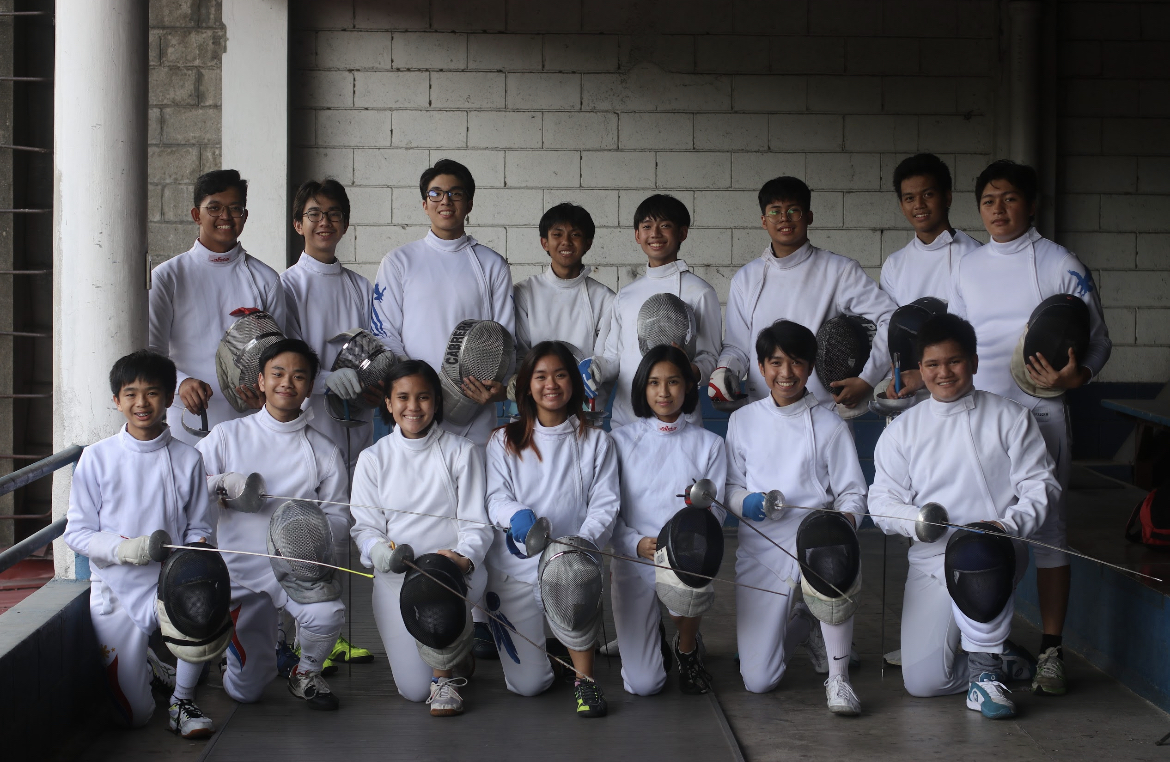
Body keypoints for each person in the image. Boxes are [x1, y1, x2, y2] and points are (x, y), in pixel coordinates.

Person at [950, 160, 1111, 696]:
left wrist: (1078, 373)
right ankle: (987, 647)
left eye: (1010, 199)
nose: (998, 210)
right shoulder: (968, 267)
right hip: (982, 415)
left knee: (1048, 532)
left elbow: (1100, 342)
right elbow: (956, 341)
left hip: (1042, 412)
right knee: (983, 526)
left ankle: (1050, 652)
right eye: (989, 201)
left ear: (1032, 204)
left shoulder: (1060, 262)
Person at [868, 314, 1058, 719]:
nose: (944, 372)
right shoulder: (903, 430)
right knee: (923, 684)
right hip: (932, 558)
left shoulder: (1010, 417)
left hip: (995, 552)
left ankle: (986, 675)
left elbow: (1042, 487)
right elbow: (881, 500)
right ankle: (1000, 661)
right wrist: (917, 519)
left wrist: (1006, 527)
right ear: (920, 369)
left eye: (953, 362)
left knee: (978, 551)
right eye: (933, 365)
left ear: (972, 362)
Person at [63, 350, 217, 738]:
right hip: (114, 589)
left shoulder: (187, 458)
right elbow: (76, 533)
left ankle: (183, 700)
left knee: (206, 599)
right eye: (130, 394)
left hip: (170, 582)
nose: (141, 403)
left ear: (169, 398)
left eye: (152, 393)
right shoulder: (96, 459)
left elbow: (200, 527)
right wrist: (125, 549)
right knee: (134, 716)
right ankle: (150, 666)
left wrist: (193, 560)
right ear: (117, 400)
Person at [196, 339, 349, 710]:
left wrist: (309, 537)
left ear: (309, 387)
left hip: (298, 572)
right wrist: (221, 484)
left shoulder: (323, 449)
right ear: (261, 381)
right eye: (277, 374)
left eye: (299, 376)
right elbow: (188, 490)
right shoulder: (227, 436)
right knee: (247, 692)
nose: (287, 383)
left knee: (328, 613)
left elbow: (341, 518)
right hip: (240, 574)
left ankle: (305, 673)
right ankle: (235, 652)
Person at [724, 320, 866, 714]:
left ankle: (839, 680)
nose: (786, 374)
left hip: (817, 542)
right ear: (760, 366)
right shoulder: (743, 420)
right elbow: (730, 487)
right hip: (761, 547)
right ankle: (805, 622)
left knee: (834, 559)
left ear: (810, 366)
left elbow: (853, 492)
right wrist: (746, 503)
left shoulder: (829, 424)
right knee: (759, 681)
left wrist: (842, 525)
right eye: (775, 363)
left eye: (797, 363)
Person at [484, 341, 620, 716]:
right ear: (526, 385)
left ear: (574, 382)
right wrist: (516, 515)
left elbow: (605, 504)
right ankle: (549, 656)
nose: (551, 384)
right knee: (529, 686)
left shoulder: (596, 441)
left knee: (574, 586)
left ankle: (585, 681)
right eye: (540, 376)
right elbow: (495, 497)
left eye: (560, 374)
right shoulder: (503, 440)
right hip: (515, 570)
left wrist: (579, 547)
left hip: (570, 567)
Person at [350, 360, 492, 717]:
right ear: (388, 404)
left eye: (423, 397)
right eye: (403, 397)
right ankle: (457, 655)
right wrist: (380, 553)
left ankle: (446, 672)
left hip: (453, 574)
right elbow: (365, 528)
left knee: (436, 633)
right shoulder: (372, 459)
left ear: (437, 402)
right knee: (414, 691)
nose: (413, 407)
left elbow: (477, 523)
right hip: (396, 579)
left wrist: (462, 558)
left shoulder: (462, 452)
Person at [279, 179, 377, 673]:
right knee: (306, 529)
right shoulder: (287, 285)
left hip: (356, 420)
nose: (324, 222)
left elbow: (371, 349)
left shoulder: (361, 286)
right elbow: (282, 360)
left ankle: (335, 636)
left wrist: (369, 380)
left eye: (334, 214)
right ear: (299, 223)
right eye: (314, 214)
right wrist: (320, 381)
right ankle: (300, 636)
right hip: (309, 420)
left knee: (343, 525)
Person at [710, 177, 897, 417]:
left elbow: (890, 318)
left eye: (793, 211)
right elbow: (738, 346)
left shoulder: (838, 270)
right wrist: (725, 370)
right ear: (763, 221)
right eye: (775, 212)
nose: (784, 218)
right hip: (763, 413)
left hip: (824, 414)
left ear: (809, 216)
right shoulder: (746, 279)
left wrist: (867, 379)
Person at [370, 158, 515, 448]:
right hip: (416, 410)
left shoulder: (492, 264)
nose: (445, 200)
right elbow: (384, 333)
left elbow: (504, 338)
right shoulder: (399, 262)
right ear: (425, 204)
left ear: (469, 203)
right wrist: (415, 388)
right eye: (436, 193)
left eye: (455, 193)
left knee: (471, 488)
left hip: (473, 409)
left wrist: (492, 386)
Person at [609, 345, 728, 696]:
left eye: (673, 382)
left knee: (684, 601)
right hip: (634, 558)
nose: (664, 393)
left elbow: (716, 510)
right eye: (654, 383)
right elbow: (607, 509)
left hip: (684, 558)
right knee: (644, 685)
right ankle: (651, 638)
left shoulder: (709, 444)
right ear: (643, 388)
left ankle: (687, 647)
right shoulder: (620, 441)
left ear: (688, 387)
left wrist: (686, 547)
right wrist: (633, 542)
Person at [148, 169, 290, 446]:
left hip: (250, 423)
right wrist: (181, 383)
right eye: (214, 208)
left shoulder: (265, 279)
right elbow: (153, 353)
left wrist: (267, 392)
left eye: (235, 208)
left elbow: (278, 355)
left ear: (245, 216)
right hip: (186, 423)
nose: (225, 216)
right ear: (196, 215)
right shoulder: (168, 277)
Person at [582, 194, 721, 429]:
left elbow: (711, 358)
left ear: (682, 233)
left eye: (665, 225)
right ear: (638, 235)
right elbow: (615, 356)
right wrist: (597, 367)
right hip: (627, 422)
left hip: (680, 424)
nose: (655, 234)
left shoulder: (700, 292)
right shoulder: (625, 295)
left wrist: (690, 369)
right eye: (647, 226)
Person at [881, 154, 983, 398]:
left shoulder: (976, 255)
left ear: (947, 197)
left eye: (928, 194)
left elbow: (982, 330)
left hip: (964, 388)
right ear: (901, 205)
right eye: (909, 198)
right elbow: (889, 330)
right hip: (911, 392)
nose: (919, 205)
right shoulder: (895, 264)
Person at [513, 202, 615, 410]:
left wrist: (597, 369)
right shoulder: (524, 292)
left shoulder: (605, 298)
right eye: (557, 234)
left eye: (575, 235)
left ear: (588, 243)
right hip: (536, 407)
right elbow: (521, 354)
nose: (566, 242)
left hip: (584, 409)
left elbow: (609, 357)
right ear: (544, 242)